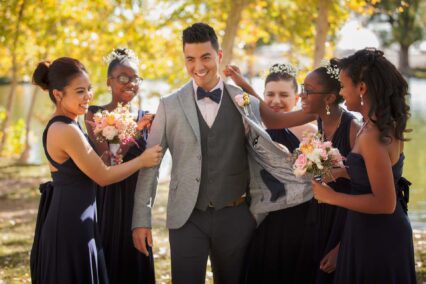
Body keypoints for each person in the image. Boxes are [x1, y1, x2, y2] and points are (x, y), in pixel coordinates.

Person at [131, 22, 284, 284]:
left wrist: (256, 213)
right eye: (190, 59)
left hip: (236, 215)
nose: (198, 66)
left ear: (219, 56)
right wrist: (141, 220)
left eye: (205, 57)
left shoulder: (242, 101)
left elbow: (264, 154)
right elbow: (151, 165)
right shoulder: (169, 105)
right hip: (186, 218)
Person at [30, 57, 162, 284]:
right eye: (80, 91)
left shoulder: (69, 124)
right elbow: (103, 176)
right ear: (58, 95)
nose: (88, 97)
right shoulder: (65, 130)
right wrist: (142, 160)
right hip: (70, 227)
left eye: (89, 89)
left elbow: (92, 166)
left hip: (81, 221)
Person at [226, 59, 360, 283]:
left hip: (341, 215)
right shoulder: (317, 116)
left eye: (308, 91)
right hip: (316, 213)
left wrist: (342, 247)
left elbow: (364, 185)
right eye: (303, 91)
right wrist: (245, 86)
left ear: (328, 97)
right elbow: (272, 118)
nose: (303, 97)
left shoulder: (353, 128)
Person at [312, 48, 416, 283]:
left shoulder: (372, 134)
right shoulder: (378, 124)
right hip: (369, 229)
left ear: (361, 88)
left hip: (378, 235)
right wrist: (344, 172)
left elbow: (385, 203)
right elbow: (379, 174)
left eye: (343, 85)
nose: (340, 92)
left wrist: (330, 198)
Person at [226, 63, 317, 283]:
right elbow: (265, 119)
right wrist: (242, 85)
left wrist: (245, 85)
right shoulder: (256, 128)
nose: (276, 100)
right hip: (266, 216)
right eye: (270, 94)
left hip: (301, 215)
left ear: (296, 98)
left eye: (284, 94)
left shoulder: (309, 130)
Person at [85, 48, 155, 284]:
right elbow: (108, 159)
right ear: (109, 81)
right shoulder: (93, 114)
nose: (130, 84)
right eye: (123, 78)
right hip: (106, 200)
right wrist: (135, 130)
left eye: (135, 78)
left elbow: (154, 164)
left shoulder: (147, 116)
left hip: (136, 203)